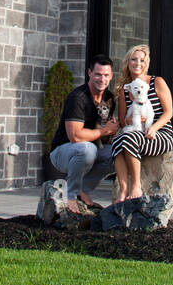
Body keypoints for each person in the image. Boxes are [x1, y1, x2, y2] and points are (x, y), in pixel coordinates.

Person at [49, 55, 120, 216]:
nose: (102, 79)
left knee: (118, 153)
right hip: (62, 152)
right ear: (89, 73)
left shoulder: (109, 98)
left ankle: (83, 189)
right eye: (98, 74)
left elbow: (107, 126)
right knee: (87, 150)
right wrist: (105, 131)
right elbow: (75, 136)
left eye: (106, 75)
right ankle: (71, 194)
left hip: (90, 148)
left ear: (111, 76)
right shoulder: (78, 98)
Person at [110, 44, 173, 200]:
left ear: (146, 63)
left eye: (142, 60)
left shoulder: (156, 82)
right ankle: (123, 189)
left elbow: (169, 112)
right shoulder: (124, 89)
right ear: (128, 62)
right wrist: (129, 119)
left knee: (128, 139)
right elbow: (123, 122)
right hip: (135, 132)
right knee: (117, 141)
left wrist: (153, 128)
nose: (138, 63)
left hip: (159, 134)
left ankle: (136, 186)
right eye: (134, 59)